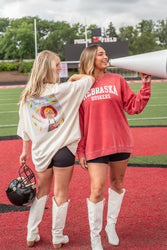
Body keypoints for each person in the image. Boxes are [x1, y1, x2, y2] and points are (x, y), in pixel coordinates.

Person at [76, 44, 151, 250]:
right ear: (91, 58)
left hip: (120, 141)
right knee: (97, 189)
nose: (105, 56)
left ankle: (111, 226)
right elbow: (79, 122)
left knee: (117, 185)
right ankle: (95, 237)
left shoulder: (117, 80)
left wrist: (145, 86)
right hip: (95, 145)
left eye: (105, 53)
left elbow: (133, 107)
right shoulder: (82, 85)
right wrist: (80, 150)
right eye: (101, 54)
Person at [17, 50, 95, 248]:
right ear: (47, 69)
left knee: (41, 192)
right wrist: (76, 76)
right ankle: (57, 237)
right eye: (57, 64)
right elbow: (89, 80)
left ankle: (31, 234)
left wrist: (24, 150)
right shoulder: (64, 89)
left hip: (41, 153)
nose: (61, 68)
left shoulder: (27, 97)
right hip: (63, 150)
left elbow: (24, 128)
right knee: (61, 193)